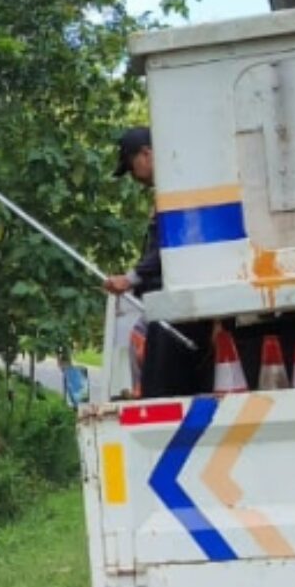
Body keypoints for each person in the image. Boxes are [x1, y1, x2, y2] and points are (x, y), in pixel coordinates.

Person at [105, 126, 210, 397]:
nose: (133, 176)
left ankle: (145, 393)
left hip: (179, 294)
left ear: (147, 154)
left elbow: (168, 247)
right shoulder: (171, 190)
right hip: (178, 293)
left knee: (142, 334)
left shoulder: (177, 192)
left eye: (131, 166)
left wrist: (130, 278)